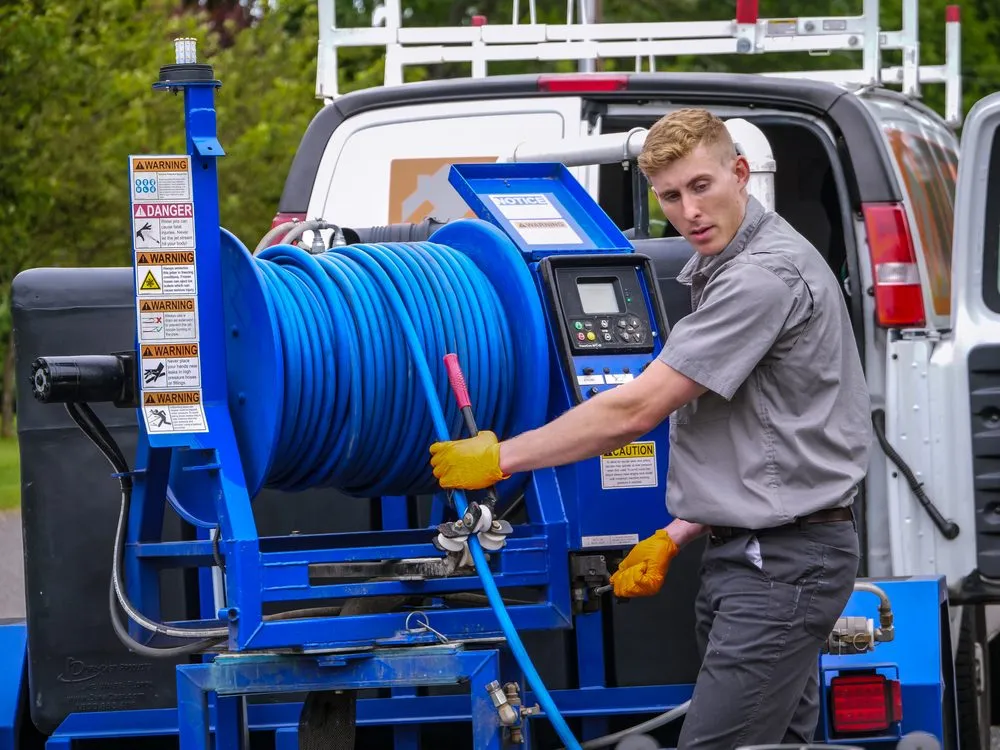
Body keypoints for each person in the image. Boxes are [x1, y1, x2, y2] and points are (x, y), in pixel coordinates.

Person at [428, 107, 872, 749]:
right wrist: (677, 532)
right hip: (757, 554)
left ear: (740, 173)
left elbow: (635, 410)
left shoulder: (760, 279)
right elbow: (765, 437)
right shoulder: (727, 268)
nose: (688, 211)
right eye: (670, 196)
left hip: (780, 568)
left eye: (701, 186)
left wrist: (501, 458)